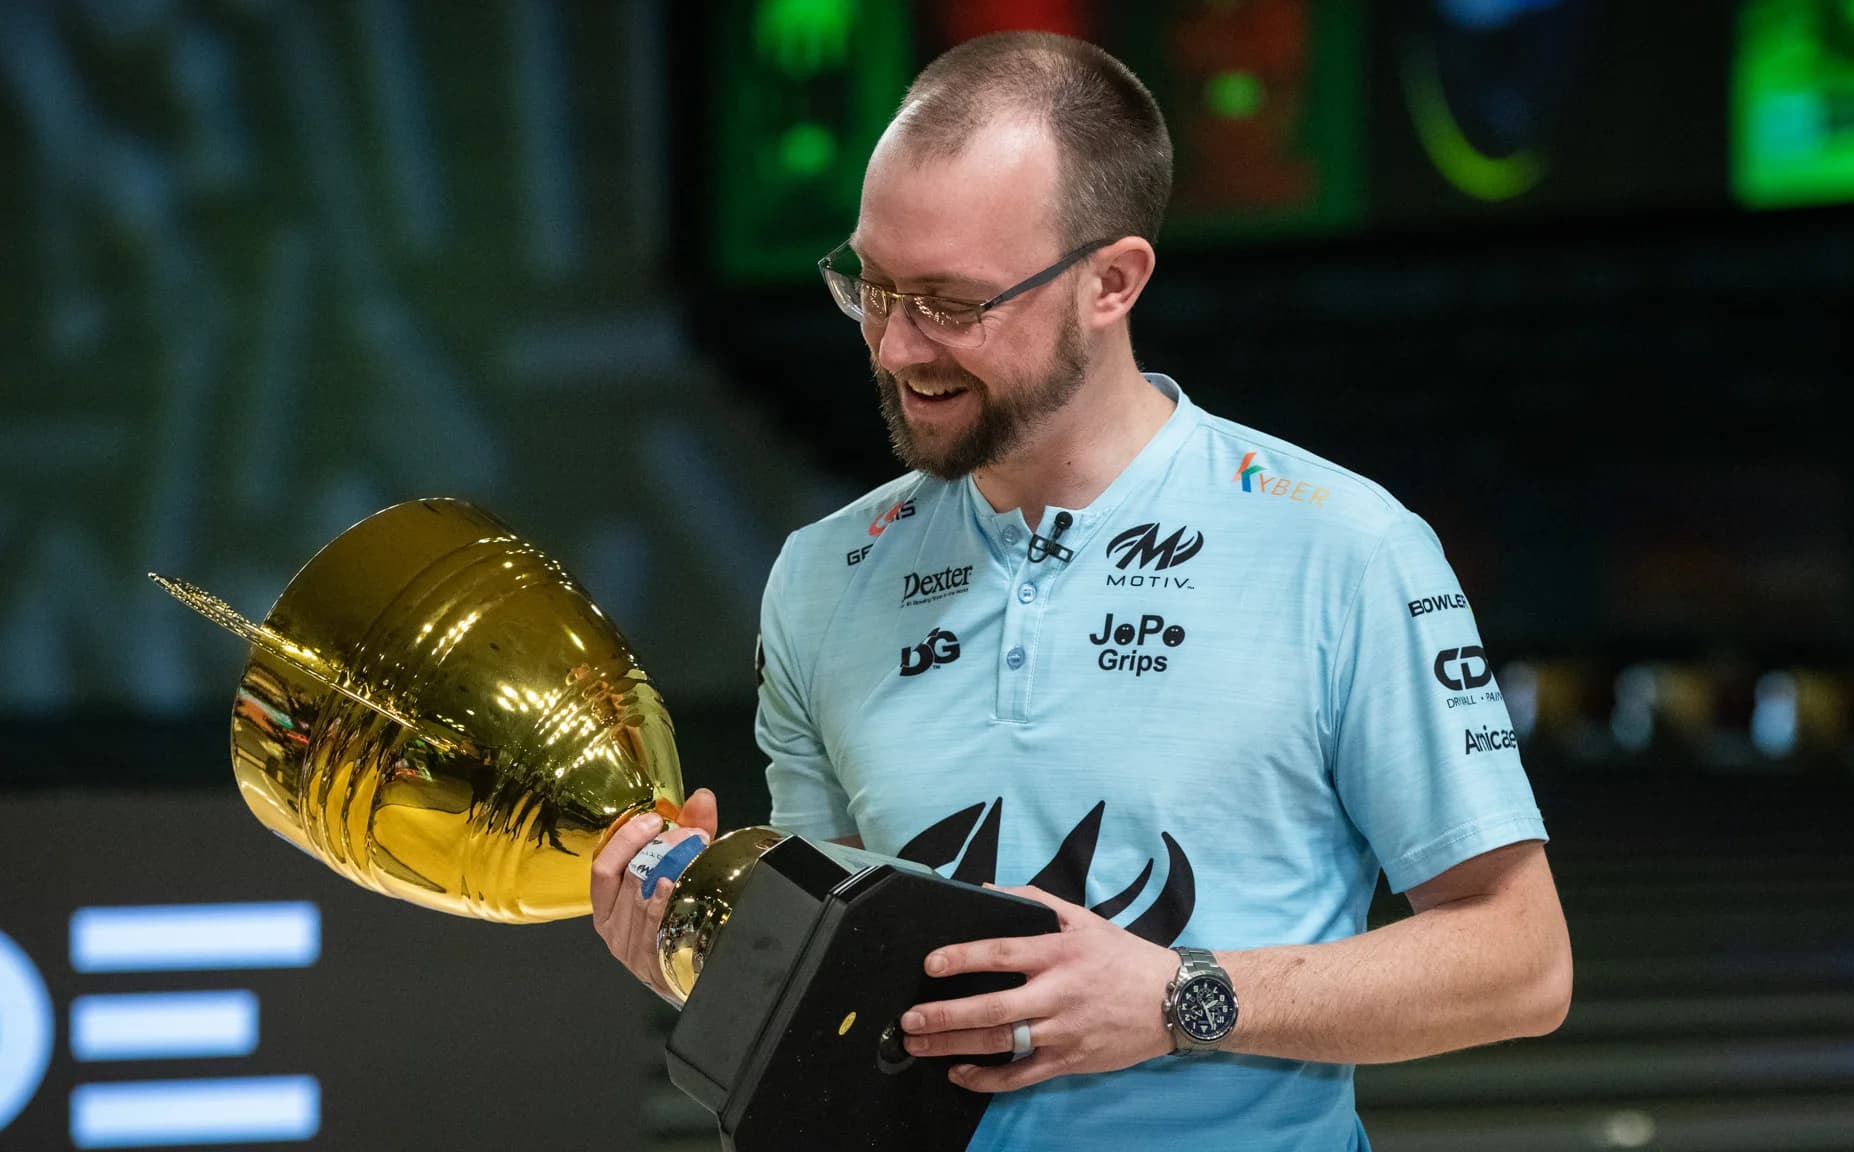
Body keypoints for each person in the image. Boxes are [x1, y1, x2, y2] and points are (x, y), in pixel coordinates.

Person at [593, 30, 1570, 1151]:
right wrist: (704, 955)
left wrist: (1176, 1000)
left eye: (950, 302)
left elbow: (1521, 961)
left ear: (1112, 281)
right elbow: (829, 977)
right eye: (870, 285)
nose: (895, 346)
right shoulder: (825, 575)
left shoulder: (1344, 549)